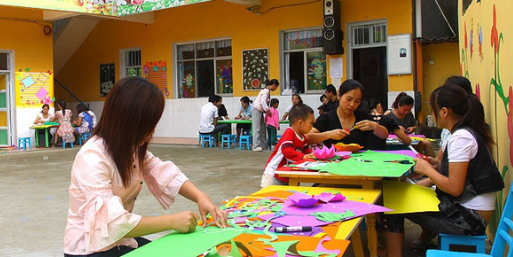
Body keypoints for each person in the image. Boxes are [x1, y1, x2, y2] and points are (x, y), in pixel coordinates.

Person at [63, 77, 227, 257]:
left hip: (119, 239)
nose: (151, 133)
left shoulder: (131, 148)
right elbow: (112, 223)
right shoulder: (93, 157)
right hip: (88, 248)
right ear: (126, 122)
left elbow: (164, 172)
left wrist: (201, 197)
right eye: (147, 125)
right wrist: (171, 221)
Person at [382, 84, 504, 257]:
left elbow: (455, 187)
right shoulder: (467, 133)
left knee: (392, 203)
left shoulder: (460, 138)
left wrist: (427, 170)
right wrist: (437, 165)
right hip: (470, 211)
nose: (432, 114)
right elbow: (463, 173)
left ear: (444, 112)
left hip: (469, 218)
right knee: (401, 195)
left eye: (433, 110)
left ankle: (392, 254)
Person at [306, 79, 389, 148]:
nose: (352, 105)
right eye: (348, 99)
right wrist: (328, 134)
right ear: (339, 95)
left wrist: (374, 126)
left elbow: (384, 135)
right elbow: (307, 137)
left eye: (357, 101)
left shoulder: (362, 115)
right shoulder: (327, 118)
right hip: (334, 162)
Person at [260, 103, 315, 187]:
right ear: (300, 122)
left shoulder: (303, 137)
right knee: (270, 198)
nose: (312, 127)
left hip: (288, 176)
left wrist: (315, 154)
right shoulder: (290, 132)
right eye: (311, 123)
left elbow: (306, 150)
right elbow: (286, 150)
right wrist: (303, 157)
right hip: (274, 176)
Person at [384, 92, 435, 157]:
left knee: (426, 143)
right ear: (399, 105)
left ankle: (431, 163)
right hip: (392, 140)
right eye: (404, 109)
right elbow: (382, 128)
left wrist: (413, 128)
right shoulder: (388, 114)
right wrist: (395, 128)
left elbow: (414, 125)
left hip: (407, 138)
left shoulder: (409, 114)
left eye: (409, 109)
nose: (406, 112)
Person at [252, 79, 279, 152]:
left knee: (262, 128)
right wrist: (267, 110)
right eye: (276, 87)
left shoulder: (267, 91)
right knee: (257, 128)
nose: (275, 89)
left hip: (260, 111)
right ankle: (256, 145)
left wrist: (265, 110)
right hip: (257, 109)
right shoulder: (266, 91)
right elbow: (263, 101)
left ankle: (263, 145)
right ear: (274, 85)